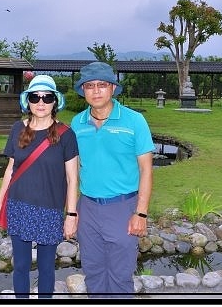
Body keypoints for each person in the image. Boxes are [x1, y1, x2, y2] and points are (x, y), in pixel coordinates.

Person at [70, 62, 155, 297]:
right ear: (83, 91)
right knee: (94, 273)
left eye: (102, 85)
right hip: (87, 208)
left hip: (123, 207)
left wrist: (141, 213)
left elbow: (146, 170)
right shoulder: (78, 123)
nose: (96, 91)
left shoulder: (134, 121)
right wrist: (71, 211)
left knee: (120, 277)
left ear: (113, 88)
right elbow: (72, 171)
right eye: (90, 86)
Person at [0, 75, 79, 298]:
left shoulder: (66, 135)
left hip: (49, 209)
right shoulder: (17, 129)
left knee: (46, 268)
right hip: (19, 204)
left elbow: (72, 179)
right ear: (28, 101)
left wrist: (71, 214)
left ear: (55, 102)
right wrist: (0, 200)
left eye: (47, 97)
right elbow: (11, 168)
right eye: (35, 97)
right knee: (20, 266)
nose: (41, 102)